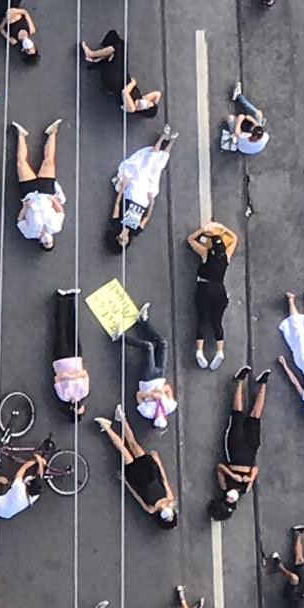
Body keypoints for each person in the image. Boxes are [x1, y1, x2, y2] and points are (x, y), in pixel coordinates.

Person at [94, 404, 179, 526]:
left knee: (126, 448)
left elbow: (138, 496)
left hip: (142, 476)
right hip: (145, 474)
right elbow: (163, 480)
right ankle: (120, 419)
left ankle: (108, 427)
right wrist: (158, 462)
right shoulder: (165, 501)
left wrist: (126, 482)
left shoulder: (154, 507)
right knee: (131, 445)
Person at [210, 367, 270, 520]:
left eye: (228, 500)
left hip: (234, 451)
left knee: (237, 413)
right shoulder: (246, 489)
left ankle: (239, 382)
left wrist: (233, 476)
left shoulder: (224, 486)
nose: (231, 498)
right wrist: (249, 478)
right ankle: (263, 384)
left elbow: (219, 467)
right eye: (232, 501)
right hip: (250, 453)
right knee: (255, 417)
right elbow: (255, 469)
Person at [110, 126, 176, 250]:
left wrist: (123, 188)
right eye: (126, 241)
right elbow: (146, 217)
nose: (125, 238)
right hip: (145, 199)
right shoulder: (135, 231)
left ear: (117, 237)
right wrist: (152, 202)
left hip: (133, 193)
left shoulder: (116, 223)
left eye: (121, 239)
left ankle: (162, 138)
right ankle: (171, 141)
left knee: (147, 165)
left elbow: (117, 205)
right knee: (157, 169)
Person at [114, 303, 177, 429]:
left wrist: (151, 395)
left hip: (147, 379)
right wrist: (161, 391)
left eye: (157, 415)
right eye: (162, 415)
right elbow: (168, 389)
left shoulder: (147, 412)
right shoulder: (170, 407)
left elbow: (138, 395)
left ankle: (120, 338)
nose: (159, 412)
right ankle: (143, 322)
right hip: (160, 377)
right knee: (163, 343)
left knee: (149, 347)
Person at [187, 221, 237, 369]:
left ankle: (199, 351)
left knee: (202, 319)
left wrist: (203, 230)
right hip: (219, 290)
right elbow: (235, 238)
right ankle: (220, 351)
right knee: (217, 321)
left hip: (204, 288)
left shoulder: (206, 254)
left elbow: (190, 240)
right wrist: (223, 229)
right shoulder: (227, 256)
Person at [80, 30, 162, 116]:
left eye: (147, 105)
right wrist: (153, 103)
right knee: (121, 47)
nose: (147, 102)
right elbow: (157, 94)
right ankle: (100, 58)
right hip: (123, 76)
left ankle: (92, 54)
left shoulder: (132, 108)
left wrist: (133, 83)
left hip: (114, 81)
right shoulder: (142, 98)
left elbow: (125, 92)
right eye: (149, 103)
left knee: (117, 50)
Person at [11, 120, 65, 250]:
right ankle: (53, 133)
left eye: (46, 243)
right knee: (49, 161)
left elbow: (20, 220)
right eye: (50, 242)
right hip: (46, 192)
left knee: (21, 163)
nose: (48, 240)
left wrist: (25, 207)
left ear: (41, 242)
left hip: (29, 195)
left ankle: (21, 135)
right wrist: (53, 200)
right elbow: (60, 211)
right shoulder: (56, 227)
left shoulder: (30, 234)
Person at [44, 288, 89, 419]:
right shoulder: (83, 392)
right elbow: (84, 374)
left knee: (61, 330)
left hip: (61, 359)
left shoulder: (63, 396)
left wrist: (68, 375)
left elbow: (57, 379)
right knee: (73, 329)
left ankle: (60, 300)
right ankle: (71, 300)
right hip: (75, 358)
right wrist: (71, 376)